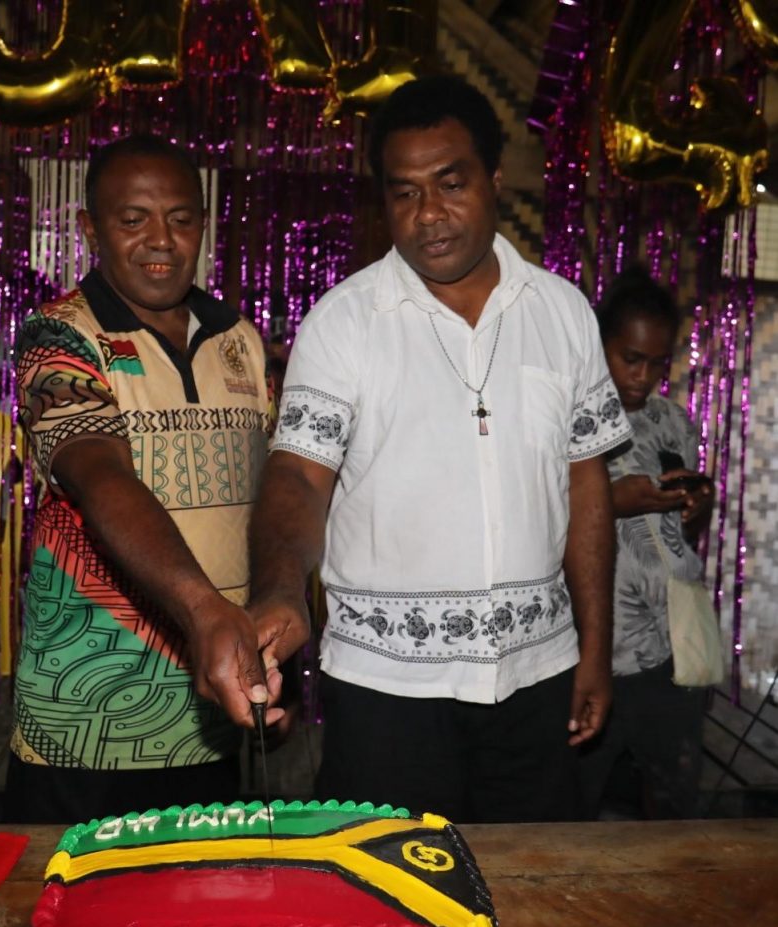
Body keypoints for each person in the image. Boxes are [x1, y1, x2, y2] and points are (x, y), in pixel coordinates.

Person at [246, 75, 632, 823]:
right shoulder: (345, 321)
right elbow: (297, 473)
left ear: (493, 180)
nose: (428, 215)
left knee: (534, 900)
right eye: (404, 193)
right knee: (388, 915)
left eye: (450, 184)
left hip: (536, 676)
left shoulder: (562, 313)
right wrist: (278, 588)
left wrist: (593, 649)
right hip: (386, 693)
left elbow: (584, 487)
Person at [4, 136, 278, 824]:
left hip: (210, 710)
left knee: (197, 921)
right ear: (91, 230)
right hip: (83, 720)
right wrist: (205, 610)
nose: (161, 241)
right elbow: (99, 476)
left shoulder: (238, 337)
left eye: (181, 219)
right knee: (69, 920)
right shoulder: (58, 335)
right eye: (133, 221)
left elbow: (269, 500)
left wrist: (267, 640)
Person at [579, 266, 714, 819]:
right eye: (629, 358)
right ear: (599, 344)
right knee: (579, 804)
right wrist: (613, 501)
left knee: (673, 808)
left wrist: (693, 508)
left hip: (671, 649)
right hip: (596, 652)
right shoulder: (571, 417)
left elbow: (680, 532)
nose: (642, 376)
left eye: (657, 363)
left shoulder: (673, 421)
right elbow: (535, 515)